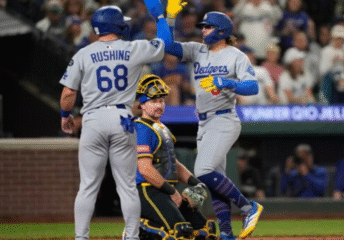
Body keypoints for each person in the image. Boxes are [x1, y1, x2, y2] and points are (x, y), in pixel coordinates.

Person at [59, 4, 174, 240]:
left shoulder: (83, 53)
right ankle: (131, 237)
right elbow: (166, 42)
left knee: (88, 186)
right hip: (122, 118)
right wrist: (161, 17)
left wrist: (64, 116)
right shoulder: (134, 48)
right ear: (119, 25)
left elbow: (68, 94)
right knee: (127, 187)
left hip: (93, 119)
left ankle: (81, 237)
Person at [163, 2, 264, 239]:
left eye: (208, 27)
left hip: (224, 119)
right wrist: (169, 17)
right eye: (203, 26)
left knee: (203, 170)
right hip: (205, 122)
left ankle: (249, 207)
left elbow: (253, 86)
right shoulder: (198, 50)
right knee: (215, 181)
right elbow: (168, 45)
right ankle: (227, 233)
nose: (203, 30)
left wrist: (228, 83)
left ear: (221, 31)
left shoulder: (235, 55)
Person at [129, 74, 218, 240]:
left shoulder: (161, 128)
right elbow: (145, 169)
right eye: (153, 101)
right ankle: (139, 228)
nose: (159, 105)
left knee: (206, 231)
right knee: (180, 231)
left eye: (161, 100)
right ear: (142, 104)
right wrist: (172, 192)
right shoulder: (142, 129)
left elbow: (173, 163)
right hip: (147, 191)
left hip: (165, 189)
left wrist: (196, 183)